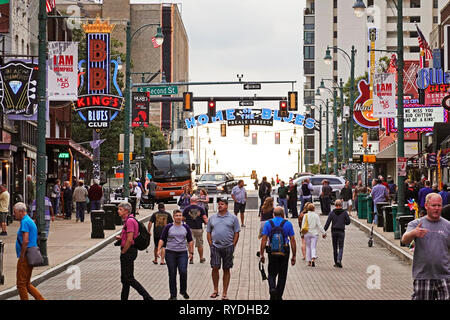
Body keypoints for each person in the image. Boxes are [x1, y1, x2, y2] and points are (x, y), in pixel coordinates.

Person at [401, 193, 450, 300]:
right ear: (426, 205)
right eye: (433, 205)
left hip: (445, 276)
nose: (437, 208)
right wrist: (414, 233)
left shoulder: (448, 225)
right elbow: (404, 239)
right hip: (423, 276)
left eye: (439, 205)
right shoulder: (416, 224)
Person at [115, 201, 153, 300]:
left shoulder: (130, 221)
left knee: (129, 278)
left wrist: (124, 251)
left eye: (120, 209)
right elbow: (129, 236)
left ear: (126, 211)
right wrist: (121, 238)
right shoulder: (129, 220)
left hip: (128, 251)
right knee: (125, 279)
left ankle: (147, 297)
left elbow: (130, 239)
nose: (118, 211)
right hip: (129, 250)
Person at [206, 198, 240, 300]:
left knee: (226, 269)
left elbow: (236, 232)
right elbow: (208, 231)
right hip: (215, 246)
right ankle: (215, 290)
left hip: (228, 246)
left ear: (226, 206)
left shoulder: (233, 218)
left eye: (222, 204)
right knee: (215, 267)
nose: (220, 206)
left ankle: (225, 292)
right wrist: (210, 244)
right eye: (219, 204)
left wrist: (233, 245)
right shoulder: (212, 218)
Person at [259, 207, 296, 300]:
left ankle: (272, 288)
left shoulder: (268, 223)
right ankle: (278, 296)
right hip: (284, 251)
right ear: (283, 214)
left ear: (273, 214)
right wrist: (294, 255)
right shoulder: (288, 224)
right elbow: (292, 240)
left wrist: (262, 253)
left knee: (271, 273)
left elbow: (264, 239)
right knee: (282, 274)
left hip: (272, 251)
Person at [158, 209, 194, 300]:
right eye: (177, 215)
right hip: (170, 253)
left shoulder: (186, 227)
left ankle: (183, 290)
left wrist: (191, 252)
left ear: (182, 217)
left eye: (180, 215)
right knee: (172, 273)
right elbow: (162, 239)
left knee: (183, 272)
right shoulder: (168, 227)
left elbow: (190, 240)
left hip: (182, 253)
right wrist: (158, 249)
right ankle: (173, 295)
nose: (178, 217)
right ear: (173, 217)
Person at [14, 202, 45, 300]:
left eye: (15, 212)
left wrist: (22, 255)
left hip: (26, 255)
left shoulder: (25, 222)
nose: (14, 214)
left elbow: (25, 240)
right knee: (26, 283)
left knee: (21, 284)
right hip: (30, 254)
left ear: (21, 212)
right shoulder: (29, 220)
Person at [324, 200, 351, 268]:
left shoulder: (332, 213)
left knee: (335, 247)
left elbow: (328, 223)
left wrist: (324, 231)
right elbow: (348, 222)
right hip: (341, 231)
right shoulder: (344, 212)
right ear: (341, 205)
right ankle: (339, 259)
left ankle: (336, 262)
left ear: (335, 205)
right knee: (341, 247)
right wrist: (343, 222)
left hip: (334, 231)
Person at [182, 196, 208, 264]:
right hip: (198, 228)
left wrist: (187, 219)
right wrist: (208, 224)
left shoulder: (186, 208)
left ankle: (191, 258)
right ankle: (201, 258)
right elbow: (205, 218)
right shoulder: (201, 208)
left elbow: (182, 218)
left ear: (190, 201)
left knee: (190, 243)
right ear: (197, 201)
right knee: (200, 244)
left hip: (189, 228)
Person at [300, 202, 326, 267]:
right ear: (314, 209)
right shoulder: (316, 215)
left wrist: (302, 233)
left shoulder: (305, 215)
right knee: (313, 247)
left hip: (307, 233)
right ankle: (313, 258)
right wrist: (324, 232)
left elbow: (303, 225)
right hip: (314, 233)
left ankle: (309, 261)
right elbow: (319, 225)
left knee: (308, 247)